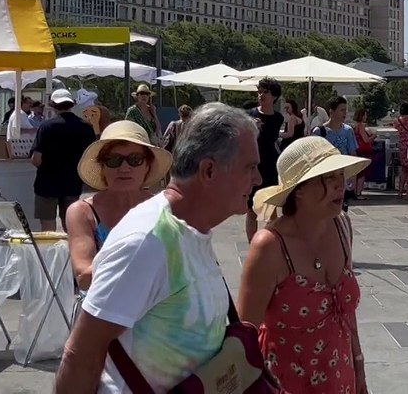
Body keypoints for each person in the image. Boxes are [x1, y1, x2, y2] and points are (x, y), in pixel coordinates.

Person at [55, 102, 261, 393]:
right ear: (210, 170)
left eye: (134, 159)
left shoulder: (189, 229)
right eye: (250, 167)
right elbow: (81, 355)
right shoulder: (147, 240)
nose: (258, 179)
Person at [237, 136, 370, 393]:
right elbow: (245, 337)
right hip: (283, 382)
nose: (340, 185)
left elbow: (346, 314)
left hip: (339, 378)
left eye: (340, 175)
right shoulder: (270, 246)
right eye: (327, 177)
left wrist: (359, 368)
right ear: (298, 190)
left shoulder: (342, 225)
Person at [66, 121, 171, 292]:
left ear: (147, 166)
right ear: (102, 168)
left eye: (135, 160)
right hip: (104, 314)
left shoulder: (164, 207)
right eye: (114, 160)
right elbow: (84, 278)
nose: (124, 168)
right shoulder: (83, 212)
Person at [31, 89, 98, 231]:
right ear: (72, 104)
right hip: (73, 182)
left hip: (47, 182)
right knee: (71, 225)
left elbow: (36, 158)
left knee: (48, 227)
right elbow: (91, 157)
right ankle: (69, 252)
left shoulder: (46, 126)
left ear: (53, 105)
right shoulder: (86, 127)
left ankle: (49, 252)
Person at [245, 78, 286, 241]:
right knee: (251, 209)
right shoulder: (250, 115)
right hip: (254, 163)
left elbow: (273, 139)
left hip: (270, 164)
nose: (261, 95)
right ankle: (252, 245)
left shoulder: (278, 118)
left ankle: (272, 244)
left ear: (274, 96)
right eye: (260, 91)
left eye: (265, 92)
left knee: (272, 208)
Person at [351, 108, 377, 200]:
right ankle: (358, 193)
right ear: (361, 116)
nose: (366, 117)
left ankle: (355, 191)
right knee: (362, 174)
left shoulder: (355, 126)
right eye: (365, 115)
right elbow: (365, 139)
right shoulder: (361, 126)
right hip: (364, 151)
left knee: (358, 173)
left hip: (358, 150)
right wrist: (373, 135)